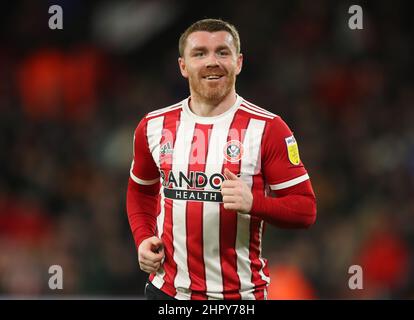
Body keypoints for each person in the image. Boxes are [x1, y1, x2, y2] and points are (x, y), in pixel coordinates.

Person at [126, 18, 317, 300]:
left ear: (238, 62)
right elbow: (141, 189)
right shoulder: (153, 126)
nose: (212, 62)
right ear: (183, 66)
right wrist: (143, 238)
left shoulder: (268, 128)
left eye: (222, 52)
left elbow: (305, 209)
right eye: (200, 53)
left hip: (237, 297)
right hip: (166, 293)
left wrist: (255, 203)